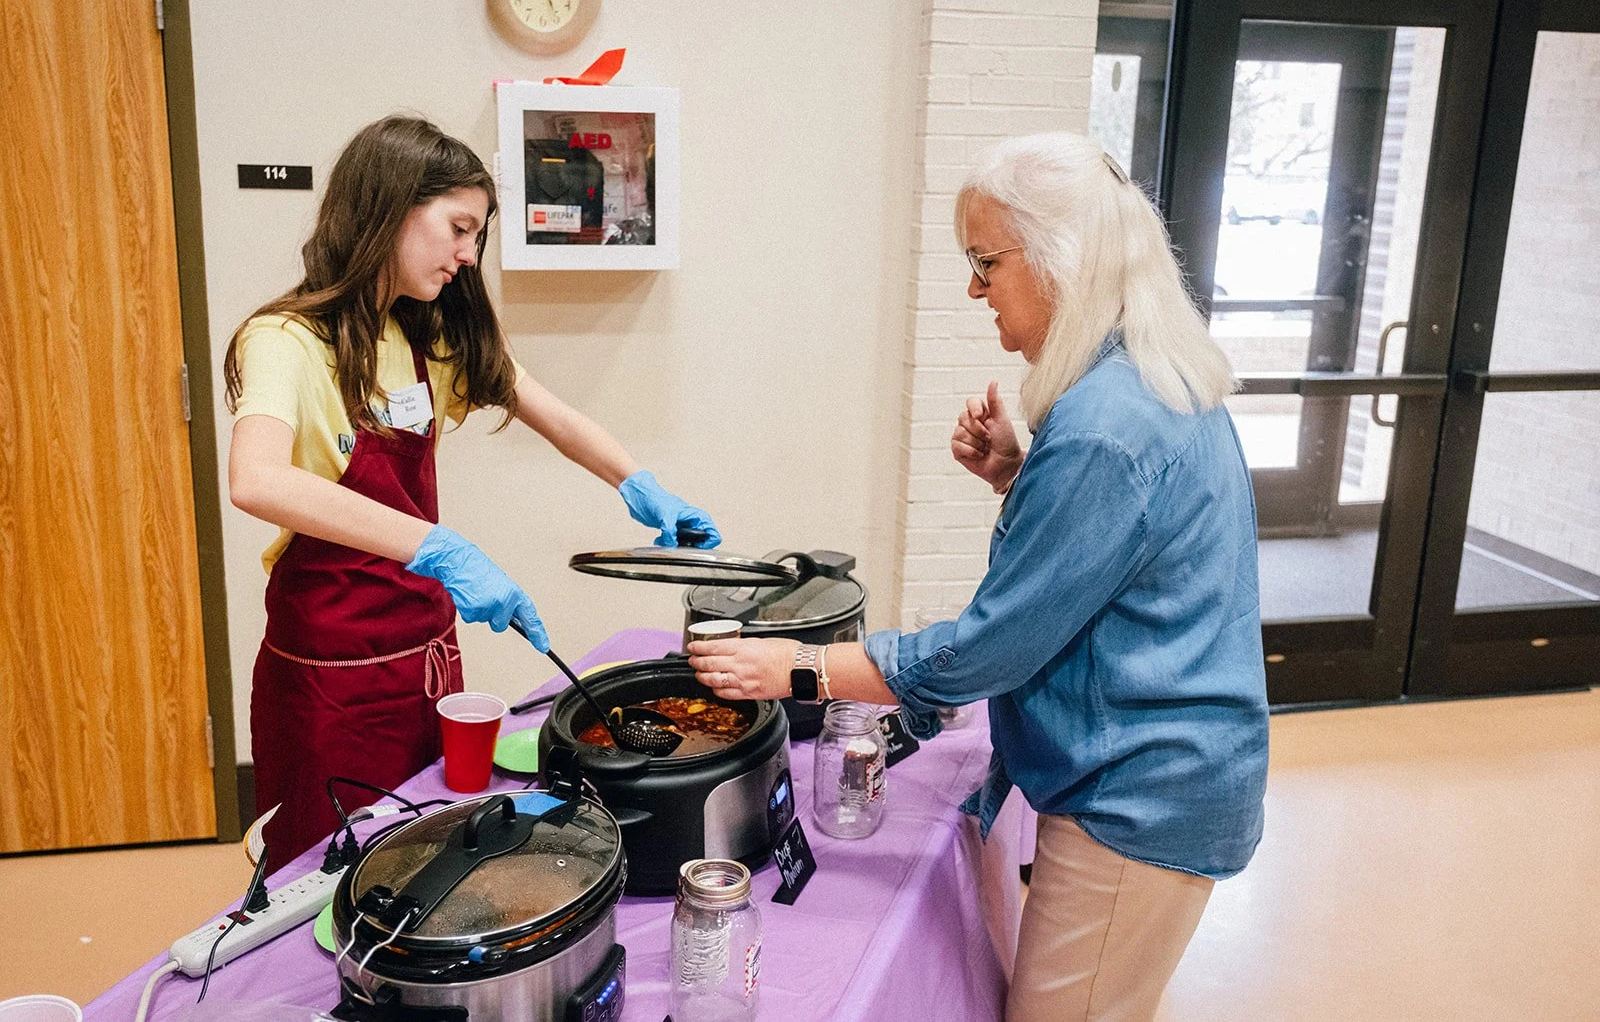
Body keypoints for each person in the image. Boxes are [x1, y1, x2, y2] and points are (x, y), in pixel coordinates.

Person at [688, 132, 1268, 1020]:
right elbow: (1106, 564)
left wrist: (794, 666)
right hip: (1167, 775)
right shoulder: (1151, 374)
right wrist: (1016, 475)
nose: (973, 288)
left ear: (1055, 259)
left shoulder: (1106, 427)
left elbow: (987, 650)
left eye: (984, 261)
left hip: (1136, 800)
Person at [225, 114, 719, 872]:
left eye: (478, 234)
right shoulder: (287, 340)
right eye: (458, 227)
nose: (468, 254)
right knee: (327, 869)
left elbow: (546, 409)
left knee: (423, 850)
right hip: (329, 678)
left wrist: (640, 484)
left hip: (424, 655)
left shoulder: (426, 337)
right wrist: (436, 544)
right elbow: (256, 478)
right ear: (390, 207)